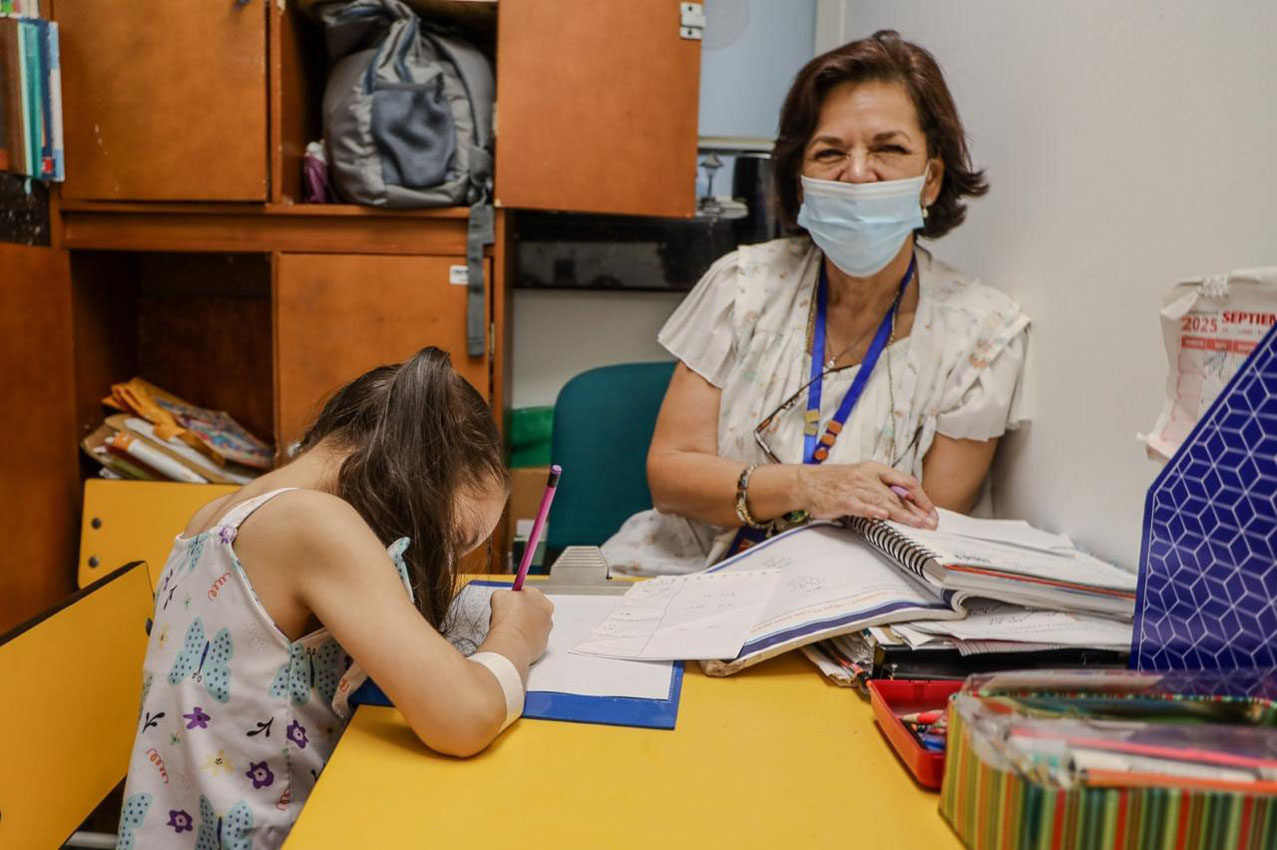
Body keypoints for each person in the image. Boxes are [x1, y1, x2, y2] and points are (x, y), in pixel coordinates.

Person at [603, 31, 1030, 576]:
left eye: (888, 148)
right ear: (801, 182)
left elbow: (927, 530)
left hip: (857, 596)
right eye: (830, 152)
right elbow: (671, 477)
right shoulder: (741, 287)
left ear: (931, 180)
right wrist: (805, 486)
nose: (858, 172)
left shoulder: (981, 338)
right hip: (688, 572)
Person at [117, 347, 554, 848]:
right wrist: (517, 633)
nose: (446, 561)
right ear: (416, 479)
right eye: (453, 540)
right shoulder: (312, 523)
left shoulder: (218, 513)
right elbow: (464, 718)